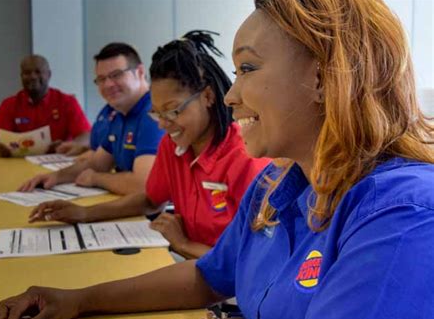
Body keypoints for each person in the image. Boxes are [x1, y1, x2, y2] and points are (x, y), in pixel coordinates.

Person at [0, 0, 434, 319]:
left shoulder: (399, 215)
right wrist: (78, 300)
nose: (230, 95)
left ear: (324, 77)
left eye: (247, 68)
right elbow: (207, 277)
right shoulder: (275, 185)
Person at [28, 31, 271, 259]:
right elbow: (150, 200)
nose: (164, 124)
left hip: (228, 288)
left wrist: (183, 244)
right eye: (157, 114)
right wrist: (84, 214)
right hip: (188, 264)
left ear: (207, 96)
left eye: (173, 111)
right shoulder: (173, 145)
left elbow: (253, 261)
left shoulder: (246, 157)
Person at [18, 44, 165, 195]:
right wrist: (54, 177)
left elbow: (143, 185)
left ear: (139, 72)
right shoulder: (119, 114)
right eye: (101, 79)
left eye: (116, 75)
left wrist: (97, 179)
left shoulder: (152, 114)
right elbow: (97, 163)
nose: (108, 84)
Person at [0, 55, 91, 158]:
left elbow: (86, 136)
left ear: (49, 74)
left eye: (38, 72)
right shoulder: (9, 104)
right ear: (21, 76)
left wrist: (71, 145)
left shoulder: (67, 102)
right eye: (27, 73)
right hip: (19, 165)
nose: (33, 76)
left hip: (57, 163)